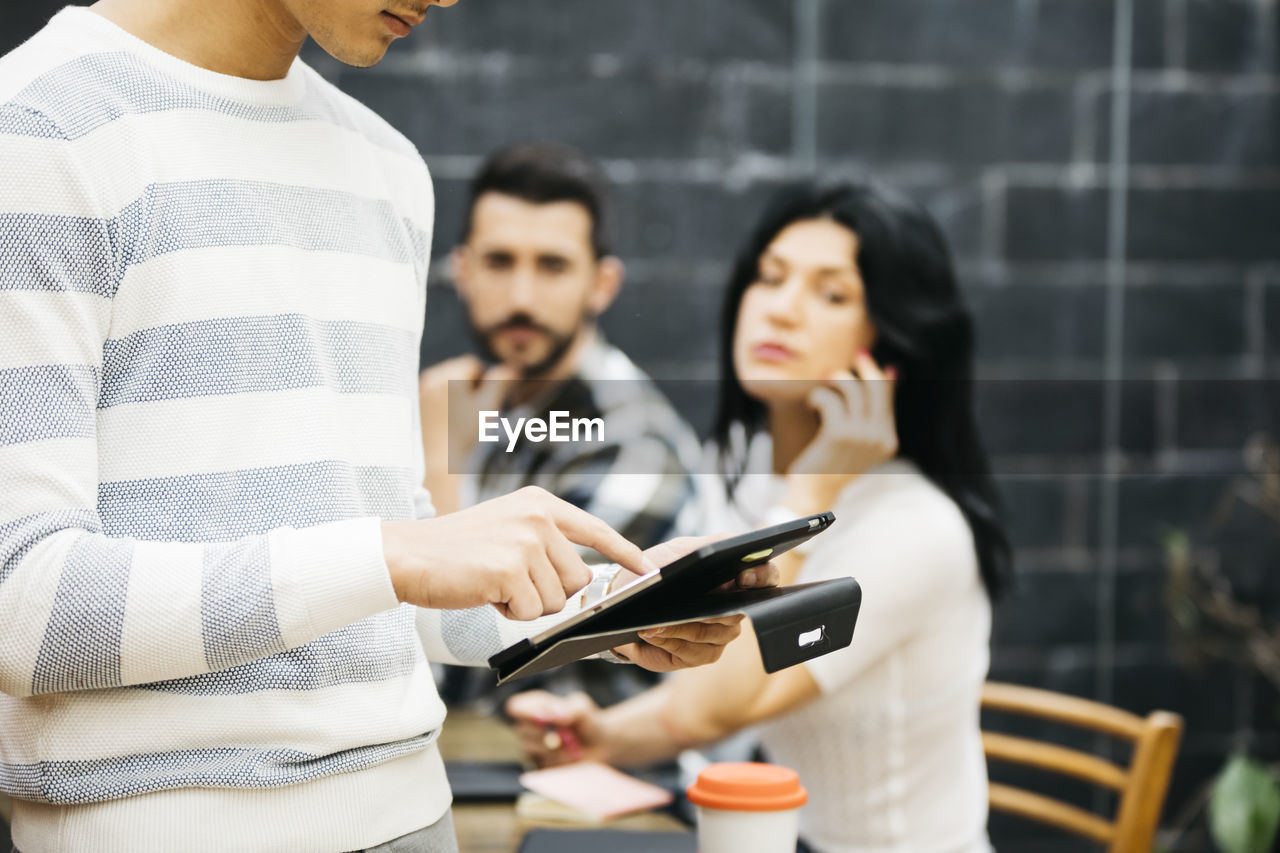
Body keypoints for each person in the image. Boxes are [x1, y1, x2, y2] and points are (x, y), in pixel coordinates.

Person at [0, 3, 772, 852]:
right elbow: (22, 609)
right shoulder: (38, 132)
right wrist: (394, 551)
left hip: (415, 815)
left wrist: (610, 604)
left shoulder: (389, 169)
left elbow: (393, 604)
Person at [507, 180, 1013, 853]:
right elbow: (720, 679)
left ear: (889, 344)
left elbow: (716, 703)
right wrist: (605, 735)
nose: (780, 310)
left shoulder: (918, 527)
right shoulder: (746, 467)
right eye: (769, 279)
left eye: (830, 294)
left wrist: (805, 501)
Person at [419, 142, 704, 705]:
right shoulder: (497, 403)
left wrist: (437, 459)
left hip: (594, 782)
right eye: (500, 263)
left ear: (601, 284)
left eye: (552, 266)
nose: (521, 298)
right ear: (464, 271)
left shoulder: (632, 444)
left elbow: (493, 652)